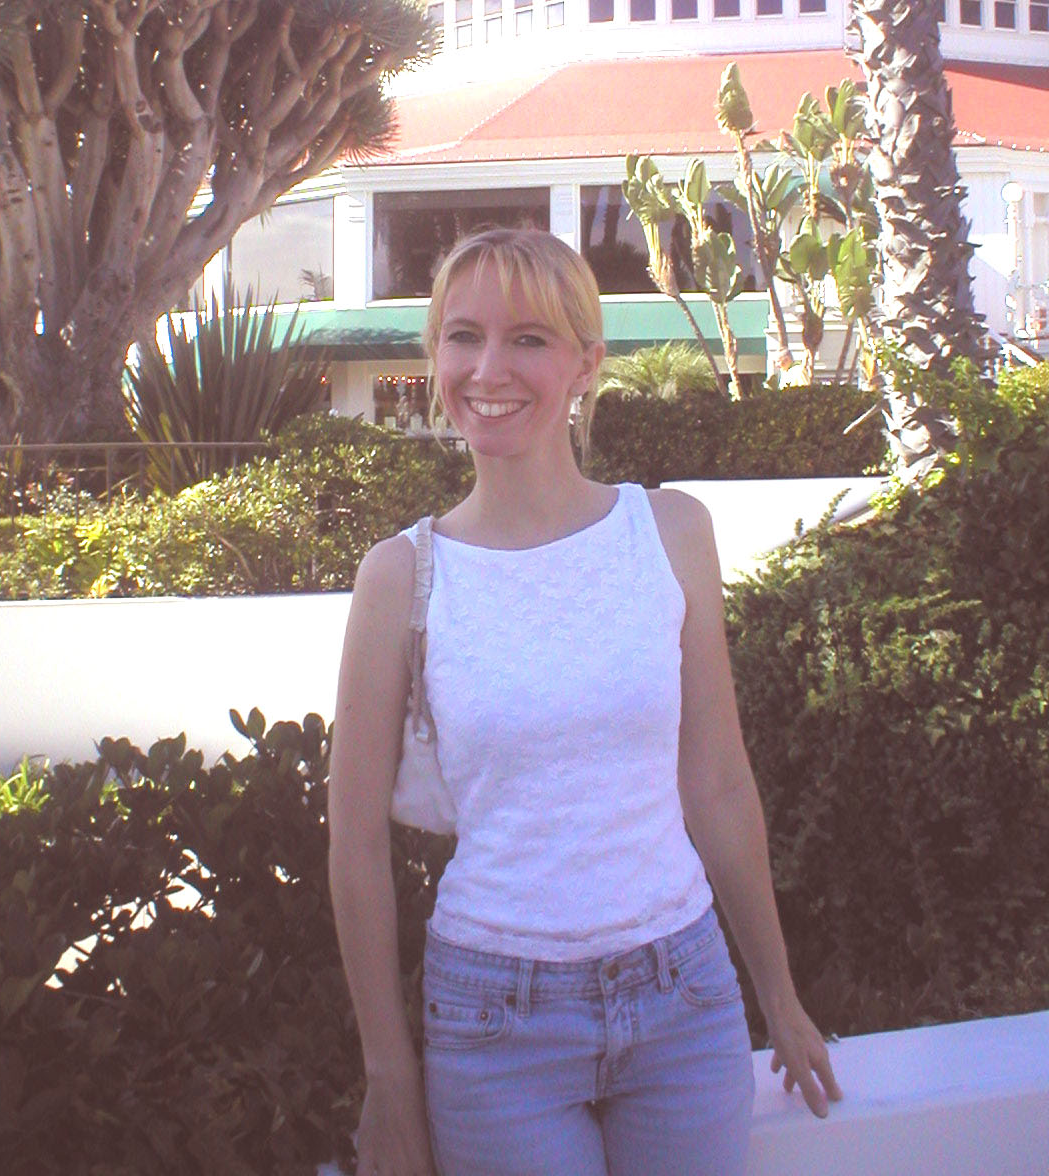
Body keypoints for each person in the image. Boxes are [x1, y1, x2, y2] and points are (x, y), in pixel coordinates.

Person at [328, 227, 840, 1176]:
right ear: (434, 353)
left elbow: (719, 784)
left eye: (529, 338)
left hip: (685, 1000)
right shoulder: (399, 577)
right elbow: (354, 846)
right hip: (494, 1023)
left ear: (586, 364)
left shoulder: (671, 532)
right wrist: (390, 1079)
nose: (489, 368)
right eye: (462, 335)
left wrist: (781, 995)